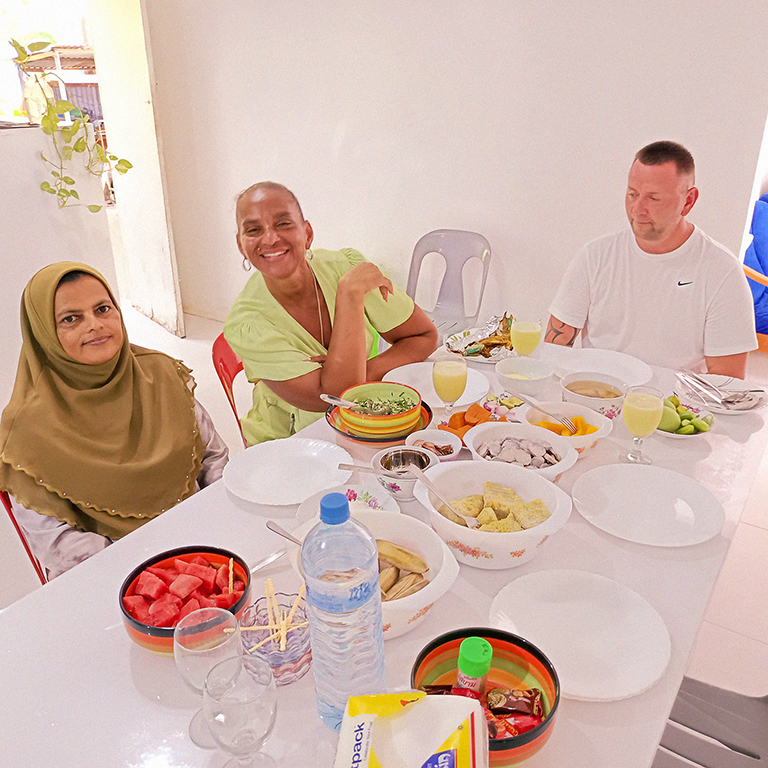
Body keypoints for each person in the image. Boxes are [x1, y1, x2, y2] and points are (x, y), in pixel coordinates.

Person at [0, 262, 229, 580]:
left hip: (207, 548)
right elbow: (55, 542)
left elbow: (213, 457)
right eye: (71, 319)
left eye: (103, 309)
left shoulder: (161, 375)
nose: (94, 325)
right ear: (43, 334)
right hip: (112, 580)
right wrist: (157, 571)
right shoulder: (27, 432)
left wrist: (214, 529)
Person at [224, 182, 439, 444]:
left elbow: (423, 336)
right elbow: (337, 396)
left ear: (307, 233)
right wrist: (349, 296)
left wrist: (357, 375)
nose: (269, 238)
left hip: (368, 421)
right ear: (241, 244)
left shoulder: (346, 267)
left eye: (283, 224)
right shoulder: (247, 324)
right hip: (288, 445)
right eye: (254, 230)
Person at [546, 141, 757, 377]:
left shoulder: (722, 272)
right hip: (594, 397)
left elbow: (727, 381)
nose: (638, 208)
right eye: (632, 194)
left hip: (673, 407)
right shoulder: (594, 256)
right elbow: (556, 347)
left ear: (688, 201)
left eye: (653, 198)